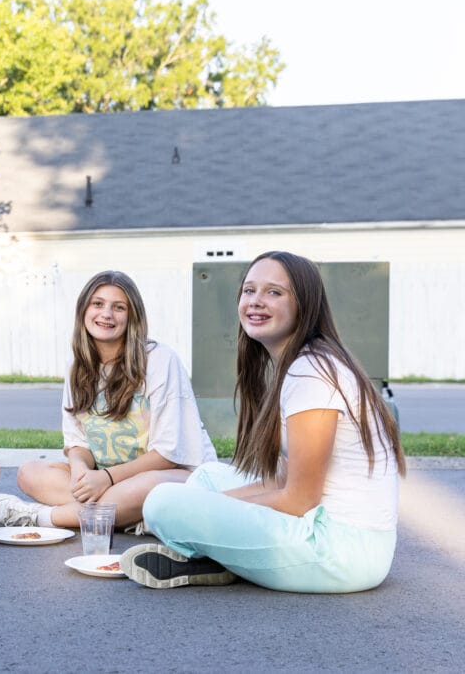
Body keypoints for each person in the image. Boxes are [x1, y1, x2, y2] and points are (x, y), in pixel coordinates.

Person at [121, 251, 405, 592]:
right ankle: (217, 559)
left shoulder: (311, 372)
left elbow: (299, 499)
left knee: (161, 502)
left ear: (305, 305)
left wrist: (213, 510)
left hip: (340, 552)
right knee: (207, 476)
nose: (256, 302)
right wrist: (212, 508)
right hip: (337, 538)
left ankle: (212, 552)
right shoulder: (304, 363)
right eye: (249, 290)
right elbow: (284, 477)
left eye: (274, 292)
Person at [0, 271, 217, 529]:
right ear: (83, 310)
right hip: (108, 480)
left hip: (175, 476)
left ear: (132, 316)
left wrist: (107, 478)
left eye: (119, 307)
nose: (106, 314)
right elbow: (77, 443)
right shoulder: (76, 366)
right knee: (30, 473)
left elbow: (169, 453)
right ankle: (129, 516)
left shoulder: (160, 360)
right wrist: (80, 470)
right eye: (98, 304)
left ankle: (35, 516)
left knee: (145, 490)